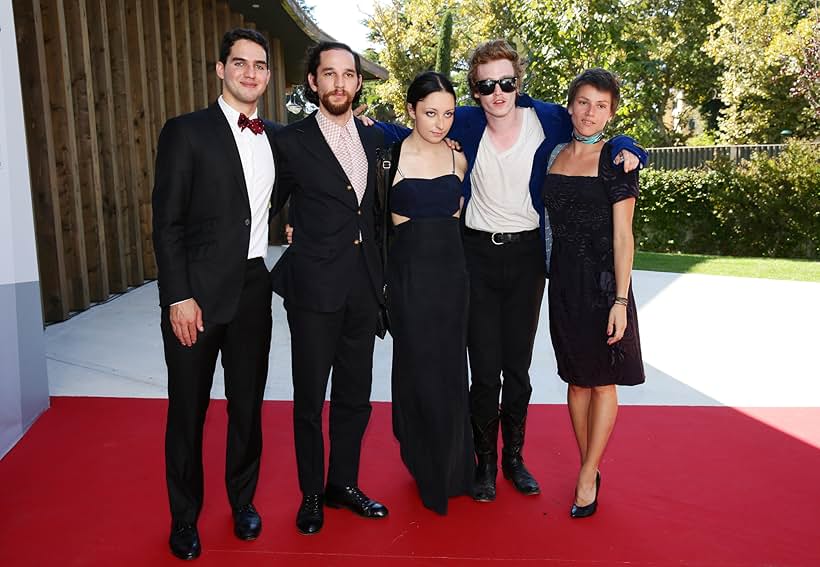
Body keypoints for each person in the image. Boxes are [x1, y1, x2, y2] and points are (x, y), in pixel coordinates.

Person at [371, 40, 646, 503]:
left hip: (525, 259)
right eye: (486, 85)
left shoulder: (549, 118)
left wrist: (629, 144)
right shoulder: (467, 121)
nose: (497, 92)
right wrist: (365, 123)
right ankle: (485, 462)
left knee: (517, 368)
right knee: (484, 369)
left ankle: (514, 459)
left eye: (506, 82)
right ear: (474, 90)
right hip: (474, 257)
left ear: (519, 81)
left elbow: (594, 125)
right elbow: (414, 127)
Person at [152, 28, 277, 560]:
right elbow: (167, 222)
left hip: (253, 288)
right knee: (188, 411)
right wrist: (177, 295)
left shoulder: (277, 137)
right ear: (221, 70)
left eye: (260, 65)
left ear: (268, 77)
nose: (251, 73)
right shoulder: (186, 132)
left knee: (247, 408)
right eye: (240, 63)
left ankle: (242, 501)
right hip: (196, 298)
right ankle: (184, 519)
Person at [269, 41, 388, 536]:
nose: (340, 83)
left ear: (358, 83)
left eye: (348, 75)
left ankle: (344, 484)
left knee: (355, 397)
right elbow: (266, 202)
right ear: (313, 82)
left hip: (364, 288)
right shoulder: (290, 141)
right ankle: (311, 494)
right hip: (313, 289)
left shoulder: (377, 140)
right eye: (329, 74)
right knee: (309, 399)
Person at [542, 68, 645, 518]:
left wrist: (620, 301)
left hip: (604, 285)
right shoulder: (553, 155)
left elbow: (625, 237)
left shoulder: (617, 160)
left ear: (612, 112)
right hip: (563, 282)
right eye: (583, 102)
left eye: (601, 105)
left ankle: (587, 476)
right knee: (575, 379)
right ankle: (591, 464)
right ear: (570, 106)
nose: (590, 113)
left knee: (602, 381)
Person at [385, 72, 473, 515]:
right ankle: (424, 462)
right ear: (411, 110)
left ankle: (456, 468)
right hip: (411, 279)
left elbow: (456, 220)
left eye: (449, 114)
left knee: (452, 372)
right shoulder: (389, 157)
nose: (440, 123)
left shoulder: (459, 160)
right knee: (419, 372)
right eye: (431, 112)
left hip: (452, 278)